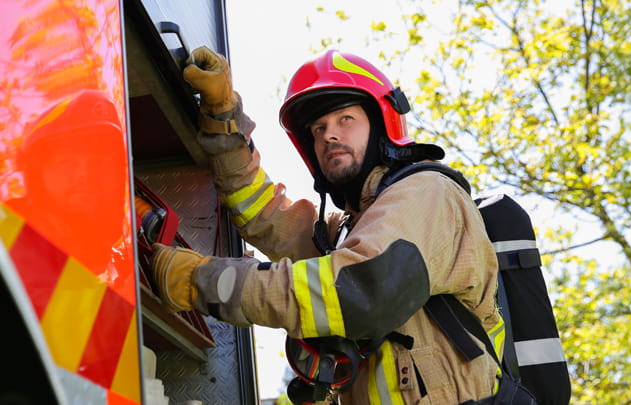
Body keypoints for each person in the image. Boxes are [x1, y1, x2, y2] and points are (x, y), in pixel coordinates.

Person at [150, 46, 502, 404]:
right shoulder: (351, 232)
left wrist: (198, 282)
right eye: (319, 128)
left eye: (344, 119)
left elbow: (355, 293)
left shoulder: (428, 194)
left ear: (381, 123)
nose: (328, 135)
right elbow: (265, 215)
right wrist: (223, 120)